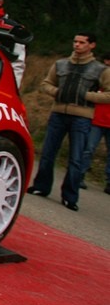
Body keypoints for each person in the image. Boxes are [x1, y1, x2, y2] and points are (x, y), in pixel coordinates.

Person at [27, 32, 110, 211]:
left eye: (82, 42)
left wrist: (86, 95)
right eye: (75, 41)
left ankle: (70, 196)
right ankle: (41, 186)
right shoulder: (61, 64)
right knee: (48, 153)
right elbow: (45, 84)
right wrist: (57, 92)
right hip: (58, 113)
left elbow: (108, 95)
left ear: (92, 45)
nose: (77, 45)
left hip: (82, 117)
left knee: (76, 157)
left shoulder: (100, 69)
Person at [80, 51, 110, 194]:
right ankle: (79, 175)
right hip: (96, 119)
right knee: (88, 148)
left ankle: (109, 182)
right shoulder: (98, 77)